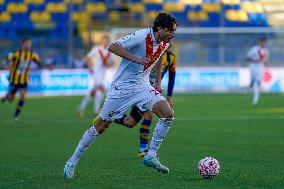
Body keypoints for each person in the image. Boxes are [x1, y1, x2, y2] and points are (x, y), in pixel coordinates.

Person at [64, 12, 177, 179]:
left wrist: (158, 82)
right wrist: (137, 59)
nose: (173, 34)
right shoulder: (141, 36)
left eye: (175, 30)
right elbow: (113, 46)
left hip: (143, 86)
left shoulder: (165, 42)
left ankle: (151, 155)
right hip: (122, 88)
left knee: (168, 114)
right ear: (159, 28)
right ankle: (72, 161)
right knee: (101, 126)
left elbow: (160, 57)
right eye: (171, 30)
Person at [114, 47, 177, 158]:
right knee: (149, 114)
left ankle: (111, 116)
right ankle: (143, 150)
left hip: (152, 90)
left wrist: (170, 96)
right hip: (140, 89)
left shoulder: (171, 58)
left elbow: (172, 77)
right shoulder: (149, 52)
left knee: (130, 122)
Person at [1, 37, 40, 121]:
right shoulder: (15, 53)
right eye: (27, 43)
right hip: (13, 79)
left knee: (22, 96)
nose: (29, 45)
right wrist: (6, 65)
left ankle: (16, 116)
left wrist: (48, 66)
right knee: (11, 99)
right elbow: (6, 60)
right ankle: (7, 96)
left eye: (30, 43)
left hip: (24, 79)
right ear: (23, 44)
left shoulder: (33, 55)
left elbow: (39, 63)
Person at [77, 34, 115, 118]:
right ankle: (97, 110)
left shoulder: (109, 51)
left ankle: (82, 108)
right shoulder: (97, 49)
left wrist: (109, 64)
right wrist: (90, 67)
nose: (106, 42)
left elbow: (112, 62)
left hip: (103, 74)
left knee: (95, 92)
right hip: (95, 72)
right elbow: (88, 58)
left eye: (107, 41)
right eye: (104, 41)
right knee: (102, 89)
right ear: (101, 41)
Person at [246, 37, 269, 106]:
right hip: (253, 66)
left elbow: (265, 60)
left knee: (257, 82)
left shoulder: (266, 51)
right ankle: (252, 83)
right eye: (262, 42)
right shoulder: (254, 49)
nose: (263, 43)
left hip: (260, 67)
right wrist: (254, 60)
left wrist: (264, 61)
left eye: (264, 42)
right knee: (255, 81)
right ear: (259, 42)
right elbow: (247, 57)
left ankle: (255, 99)